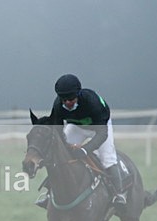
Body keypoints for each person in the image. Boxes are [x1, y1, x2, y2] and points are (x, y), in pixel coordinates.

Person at [36, 74, 126, 208]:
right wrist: (65, 146)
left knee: (108, 158)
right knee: (59, 155)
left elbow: (102, 134)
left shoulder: (92, 102)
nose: (67, 102)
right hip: (77, 127)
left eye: (71, 99)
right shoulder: (58, 105)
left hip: (100, 127)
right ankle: (50, 193)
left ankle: (119, 194)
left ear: (78, 94)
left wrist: (84, 150)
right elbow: (58, 132)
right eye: (64, 99)